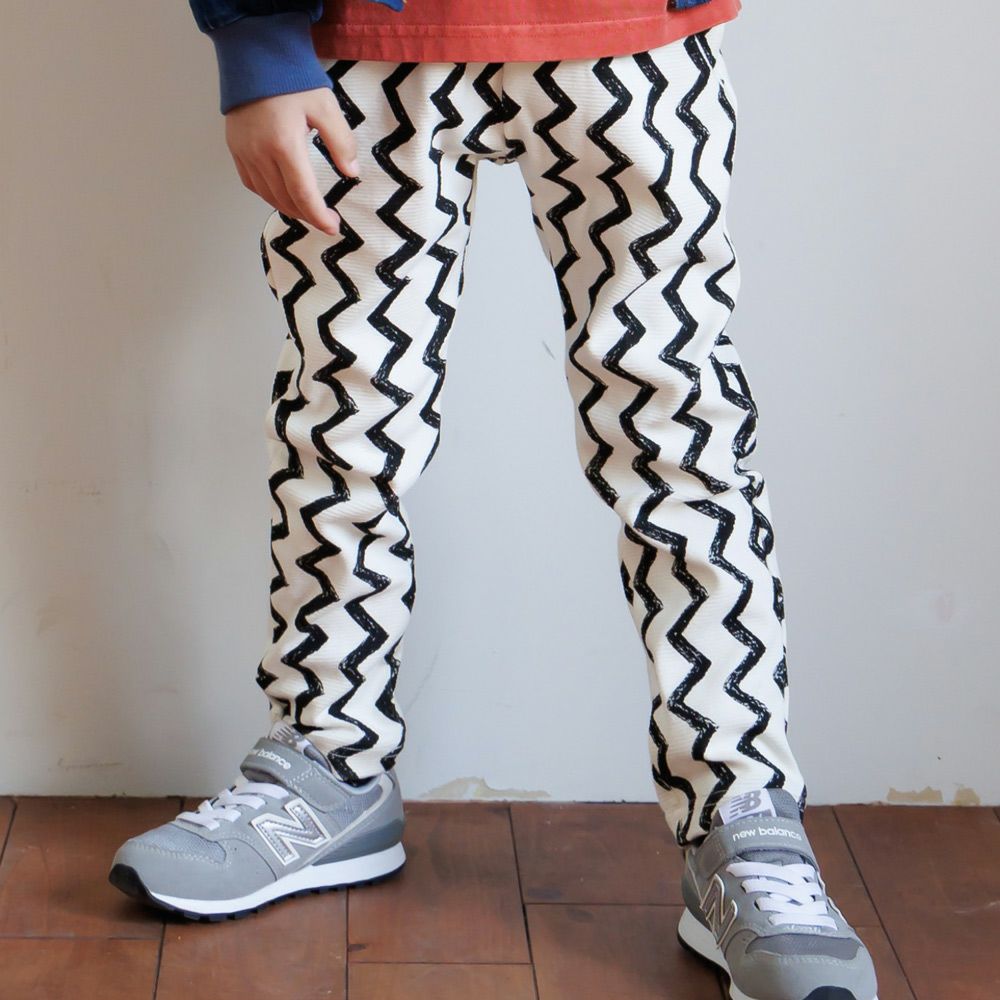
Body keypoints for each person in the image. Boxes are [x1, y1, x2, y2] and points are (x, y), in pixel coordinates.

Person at [108, 2, 879, 998]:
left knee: (679, 431)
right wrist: (256, 34)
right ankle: (328, 758)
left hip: (638, 36)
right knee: (342, 419)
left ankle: (744, 815)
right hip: (365, 43)